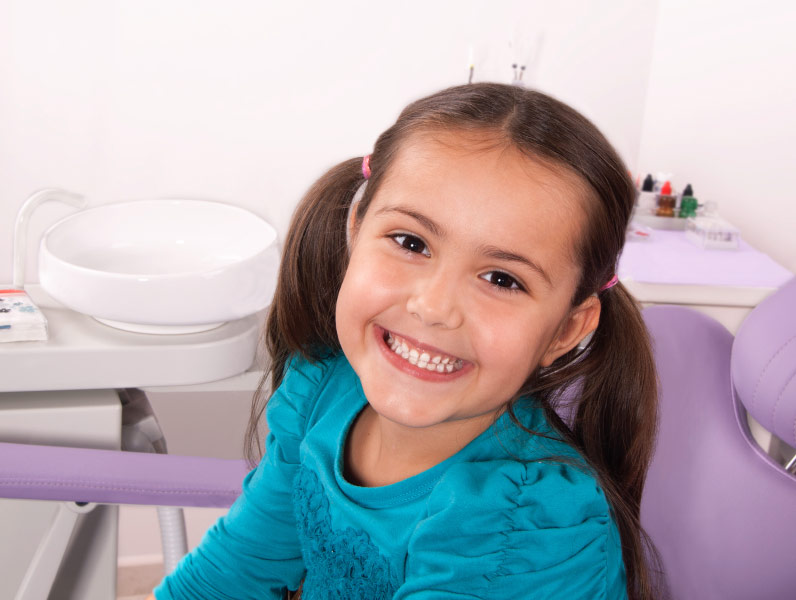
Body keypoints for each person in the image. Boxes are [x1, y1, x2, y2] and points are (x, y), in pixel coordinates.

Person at [151, 83, 659, 599]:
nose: (434, 307)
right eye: (411, 242)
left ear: (567, 329)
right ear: (356, 229)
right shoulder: (321, 388)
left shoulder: (518, 524)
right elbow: (230, 573)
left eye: (502, 279)